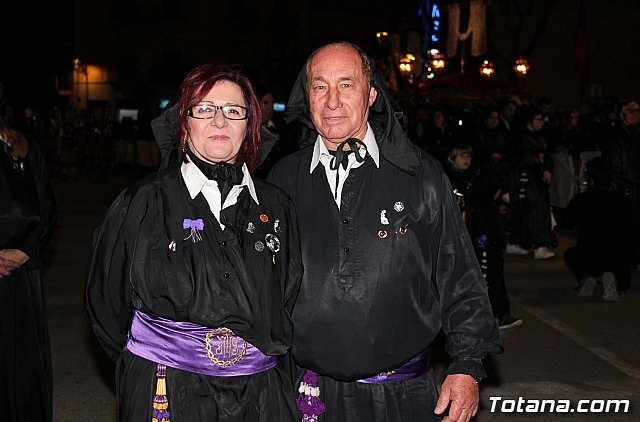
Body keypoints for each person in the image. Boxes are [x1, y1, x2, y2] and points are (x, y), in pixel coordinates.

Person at [267, 41, 502, 422]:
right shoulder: (283, 179)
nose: (332, 101)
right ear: (306, 96)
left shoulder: (419, 175)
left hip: (402, 394)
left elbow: (459, 274)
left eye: (346, 84)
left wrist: (467, 363)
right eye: (320, 86)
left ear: (371, 93)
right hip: (308, 392)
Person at [85, 63, 302, 422]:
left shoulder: (277, 206)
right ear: (185, 123)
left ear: (250, 126)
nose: (220, 122)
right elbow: (105, 301)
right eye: (205, 109)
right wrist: (158, 356)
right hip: (166, 389)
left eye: (234, 111)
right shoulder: (144, 201)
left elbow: (290, 297)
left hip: (258, 396)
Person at [0, 82, 58, 422]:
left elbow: (47, 207)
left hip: (21, 273)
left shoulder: (22, 147)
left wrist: (25, 250)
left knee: (22, 362)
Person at [445, 143, 523, 330]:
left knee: (491, 267)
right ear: (451, 158)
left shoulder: (477, 177)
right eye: (461, 155)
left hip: (481, 232)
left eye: (468, 156)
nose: (466, 159)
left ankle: (500, 312)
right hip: (457, 237)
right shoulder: (445, 179)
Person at [563, 157, 634, 301]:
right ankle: (609, 276)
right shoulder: (623, 201)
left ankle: (589, 276)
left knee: (570, 254)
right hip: (617, 256)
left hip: (589, 254)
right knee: (623, 282)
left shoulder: (582, 200)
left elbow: (567, 222)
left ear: (591, 178)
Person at [504, 106, 556, 260]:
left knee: (537, 209)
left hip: (536, 180)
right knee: (531, 210)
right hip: (526, 180)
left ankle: (522, 242)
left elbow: (546, 157)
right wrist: (541, 168)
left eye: (542, 119)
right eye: (538, 120)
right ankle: (535, 244)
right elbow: (524, 159)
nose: (541, 123)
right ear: (529, 121)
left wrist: (547, 168)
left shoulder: (539, 137)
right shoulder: (520, 138)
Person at [602, 100, 640, 267]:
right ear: (622, 114)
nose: (635, 114)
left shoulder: (637, 132)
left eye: (637, 110)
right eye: (631, 111)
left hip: (635, 184)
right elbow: (615, 164)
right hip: (624, 185)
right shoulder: (615, 134)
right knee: (624, 224)